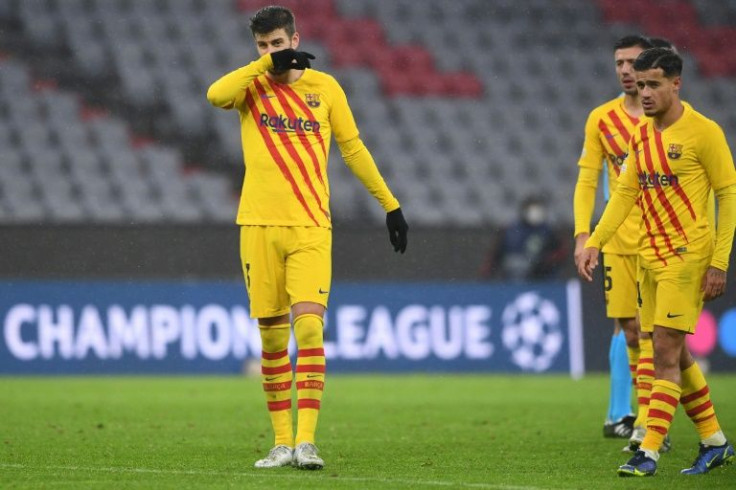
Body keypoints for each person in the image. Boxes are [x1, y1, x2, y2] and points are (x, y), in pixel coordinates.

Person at [206, 5, 408, 470]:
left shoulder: (326, 88)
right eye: (262, 46)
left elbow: (352, 148)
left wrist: (390, 204)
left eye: (277, 44)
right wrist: (262, 66)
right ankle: (280, 442)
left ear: (295, 39)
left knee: (311, 327)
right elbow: (215, 94)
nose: (271, 52)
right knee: (273, 341)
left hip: (312, 225)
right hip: (257, 226)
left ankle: (307, 441)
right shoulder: (251, 87)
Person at [578, 47, 736, 477]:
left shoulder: (704, 133)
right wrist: (595, 240)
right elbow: (625, 193)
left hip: (687, 257)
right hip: (649, 255)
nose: (643, 92)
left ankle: (647, 450)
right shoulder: (642, 135)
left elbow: (728, 195)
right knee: (677, 354)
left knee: (663, 350)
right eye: (640, 84)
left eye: (652, 84)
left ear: (676, 83)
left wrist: (719, 261)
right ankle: (714, 440)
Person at [574, 35, 652, 441]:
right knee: (629, 327)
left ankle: (643, 418)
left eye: (632, 62)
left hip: (661, 239)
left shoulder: (669, 122)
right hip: (619, 240)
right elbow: (588, 179)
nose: (625, 70)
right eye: (619, 62)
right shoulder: (602, 119)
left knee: (654, 331)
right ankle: (623, 414)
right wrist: (583, 233)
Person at [479, 195, 566, 281]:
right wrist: (487, 271)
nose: (535, 213)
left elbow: (560, 253)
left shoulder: (548, 231)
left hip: (541, 277)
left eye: (537, 210)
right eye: (531, 210)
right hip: (513, 275)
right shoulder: (510, 230)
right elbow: (495, 254)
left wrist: (544, 263)